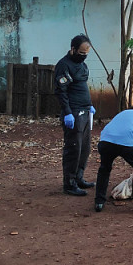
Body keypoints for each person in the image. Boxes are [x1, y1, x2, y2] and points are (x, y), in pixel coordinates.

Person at [94, 102, 133, 213]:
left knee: (104, 169)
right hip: (128, 144)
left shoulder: (126, 112)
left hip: (105, 141)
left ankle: (99, 202)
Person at [54, 34, 96, 197]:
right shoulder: (63, 65)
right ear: (73, 49)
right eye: (82, 52)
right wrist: (67, 113)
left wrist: (89, 104)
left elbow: (82, 86)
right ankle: (69, 183)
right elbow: (61, 91)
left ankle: (79, 178)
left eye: (87, 53)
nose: (84, 55)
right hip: (73, 113)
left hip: (85, 111)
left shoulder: (82, 65)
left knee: (84, 148)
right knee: (73, 148)